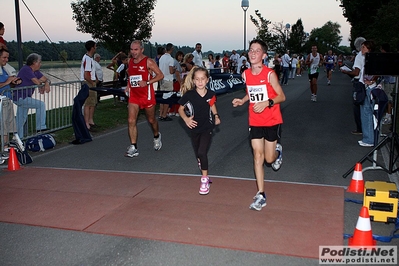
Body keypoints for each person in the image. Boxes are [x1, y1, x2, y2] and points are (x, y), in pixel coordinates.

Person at [232, 39, 286, 211]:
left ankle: (278, 152)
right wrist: (242, 100)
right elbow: (251, 92)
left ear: (263, 55)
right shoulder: (245, 74)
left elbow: (281, 96)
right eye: (251, 50)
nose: (253, 53)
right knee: (257, 155)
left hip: (271, 120)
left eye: (257, 50)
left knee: (269, 159)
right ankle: (261, 194)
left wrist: (267, 103)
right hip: (255, 120)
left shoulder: (270, 74)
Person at [178, 66, 221, 195]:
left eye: (203, 79)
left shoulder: (211, 94)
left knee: (202, 152)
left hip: (207, 126)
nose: (200, 82)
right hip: (194, 127)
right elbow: (180, 109)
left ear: (207, 80)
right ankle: (200, 160)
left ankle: (204, 180)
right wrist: (186, 119)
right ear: (193, 80)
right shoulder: (189, 95)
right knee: (198, 152)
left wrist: (217, 116)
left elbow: (212, 105)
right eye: (197, 79)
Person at [125, 40, 164, 157]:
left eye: (136, 49)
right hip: (134, 96)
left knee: (151, 120)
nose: (133, 52)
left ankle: (157, 136)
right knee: (131, 120)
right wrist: (128, 86)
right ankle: (133, 147)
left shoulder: (148, 62)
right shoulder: (129, 61)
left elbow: (160, 75)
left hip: (147, 96)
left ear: (142, 50)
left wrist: (147, 82)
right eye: (132, 49)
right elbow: (130, 75)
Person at [14, 53, 50, 138]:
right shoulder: (26, 69)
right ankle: (40, 127)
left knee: (21, 119)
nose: (40, 64)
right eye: (39, 62)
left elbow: (45, 79)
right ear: (34, 62)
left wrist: (47, 83)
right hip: (20, 97)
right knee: (40, 105)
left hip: (25, 97)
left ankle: (19, 139)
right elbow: (36, 82)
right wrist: (41, 85)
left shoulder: (36, 72)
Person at [340, 37, 366, 135]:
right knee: (363, 106)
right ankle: (364, 127)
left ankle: (359, 128)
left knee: (357, 106)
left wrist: (346, 71)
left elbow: (356, 72)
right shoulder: (366, 55)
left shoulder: (360, 56)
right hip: (364, 82)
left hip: (358, 82)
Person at [0, 48, 20, 153]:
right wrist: (8, 81)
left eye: (7, 57)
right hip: (1, 101)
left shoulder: (3, 69)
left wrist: (13, 82)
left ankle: (6, 145)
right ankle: (3, 147)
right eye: (4, 57)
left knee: (8, 124)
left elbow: (7, 83)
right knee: (3, 124)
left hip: (8, 99)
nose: (6, 60)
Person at [80, 40, 97, 130]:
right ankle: (86, 123)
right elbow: (86, 75)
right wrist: (92, 83)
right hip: (88, 83)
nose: (96, 48)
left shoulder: (90, 58)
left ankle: (91, 121)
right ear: (92, 48)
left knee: (92, 103)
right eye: (95, 46)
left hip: (91, 82)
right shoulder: (87, 58)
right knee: (88, 103)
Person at [158, 43, 176, 121]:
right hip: (168, 79)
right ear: (171, 49)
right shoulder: (170, 59)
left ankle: (161, 114)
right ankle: (165, 115)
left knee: (162, 98)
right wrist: (174, 69)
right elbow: (171, 71)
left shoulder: (161, 57)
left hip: (161, 79)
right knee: (167, 98)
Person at [380, 43, 395, 125]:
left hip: (389, 80)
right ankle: (388, 113)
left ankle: (389, 115)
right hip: (387, 80)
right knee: (386, 96)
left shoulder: (388, 58)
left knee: (388, 97)